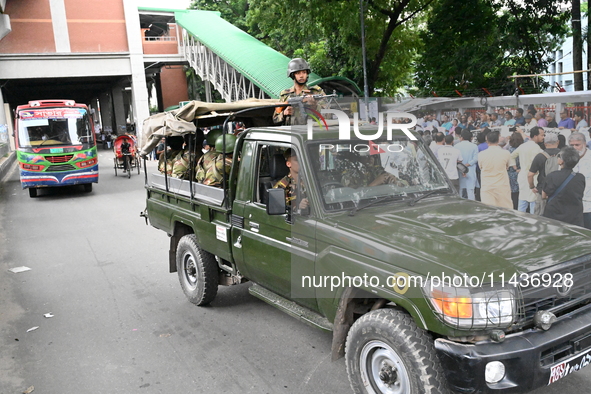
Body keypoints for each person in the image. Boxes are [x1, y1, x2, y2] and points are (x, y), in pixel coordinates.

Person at [273, 58, 325, 125]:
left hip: (310, 132)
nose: (301, 76)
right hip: (291, 133)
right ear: (292, 75)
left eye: (304, 72)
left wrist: (314, 106)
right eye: (298, 73)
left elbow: (327, 115)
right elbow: (275, 120)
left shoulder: (316, 92)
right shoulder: (285, 95)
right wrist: (284, 113)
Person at [542, 146, 585, 226]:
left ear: (561, 161)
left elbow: (543, 196)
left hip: (554, 217)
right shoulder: (580, 178)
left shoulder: (552, 176)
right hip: (574, 219)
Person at [510, 126, 545, 213]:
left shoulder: (523, 146)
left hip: (522, 176)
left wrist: (515, 168)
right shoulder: (537, 149)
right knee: (533, 200)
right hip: (533, 176)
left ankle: (519, 219)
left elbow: (511, 156)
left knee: (522, 200)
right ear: (535, 136)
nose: (543, 137)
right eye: (542, 135)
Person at [528, 133, 561, 215]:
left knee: (540, 217)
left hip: (543, 190)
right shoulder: (563, 155)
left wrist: (532, 187)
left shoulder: (540, 156)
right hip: (560, 191)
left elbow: (530, 175)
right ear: (558, 142)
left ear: (545, 143)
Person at [478, 131, 513, 209]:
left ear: (487, 141)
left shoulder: (481, 154)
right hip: (502, 186)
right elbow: (507, 166)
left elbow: (481, 167)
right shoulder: (506, 153)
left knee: (489, 211)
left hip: (487, 186)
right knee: (506, 211)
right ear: (498, 140)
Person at [569, 132, 591, 229]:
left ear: (584, 144)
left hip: (588, 207)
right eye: (571, 145)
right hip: (571, 207)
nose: (574, 148)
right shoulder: (566, 159)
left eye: (577, 145)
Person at [455, 129, 479, 200]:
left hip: (459, 169)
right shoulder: (474, 146)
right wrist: (467, 165)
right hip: (470, 170)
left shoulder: (456, 146)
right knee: (470, 190)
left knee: (460, 190)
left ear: (461, 137)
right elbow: (475, 159)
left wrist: (462, 166)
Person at [508, 132, 524, 209]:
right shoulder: (523, 150)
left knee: (513, 196)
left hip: (511, 175)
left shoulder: (509, 151)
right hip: (521, 173)